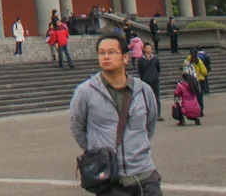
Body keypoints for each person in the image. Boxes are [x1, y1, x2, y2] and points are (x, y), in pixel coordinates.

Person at [70, 30, 162, 195]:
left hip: (145, 176)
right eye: (102, 53)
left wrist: (135, 146)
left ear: (125, 57)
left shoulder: (143, 90)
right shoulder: (85, 92)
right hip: (109, 181)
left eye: (111, 52)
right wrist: (98, 152)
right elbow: (78, 128)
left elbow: (150, 124)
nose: (106, 57)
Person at [136, 48, 162, 120]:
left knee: (156, 97)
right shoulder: (141, 60)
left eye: (150, 48)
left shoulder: (155, 59)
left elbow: (158, 69)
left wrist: (155, 75)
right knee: (146, 98)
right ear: (144, 49)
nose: (149, 49)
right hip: (145, 81)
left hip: (155, 81)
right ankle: (147, 113)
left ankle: (158, 113)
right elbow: (140, 70)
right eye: (147, 48)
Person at [182, 49, 207, 114]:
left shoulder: (186, 61)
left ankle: (192, 110)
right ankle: (200, 111)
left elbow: (184, 72)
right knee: (200, 97)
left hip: (190, 81)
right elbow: (204, 71)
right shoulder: (198, 60)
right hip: (199, 80)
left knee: (192, 97)